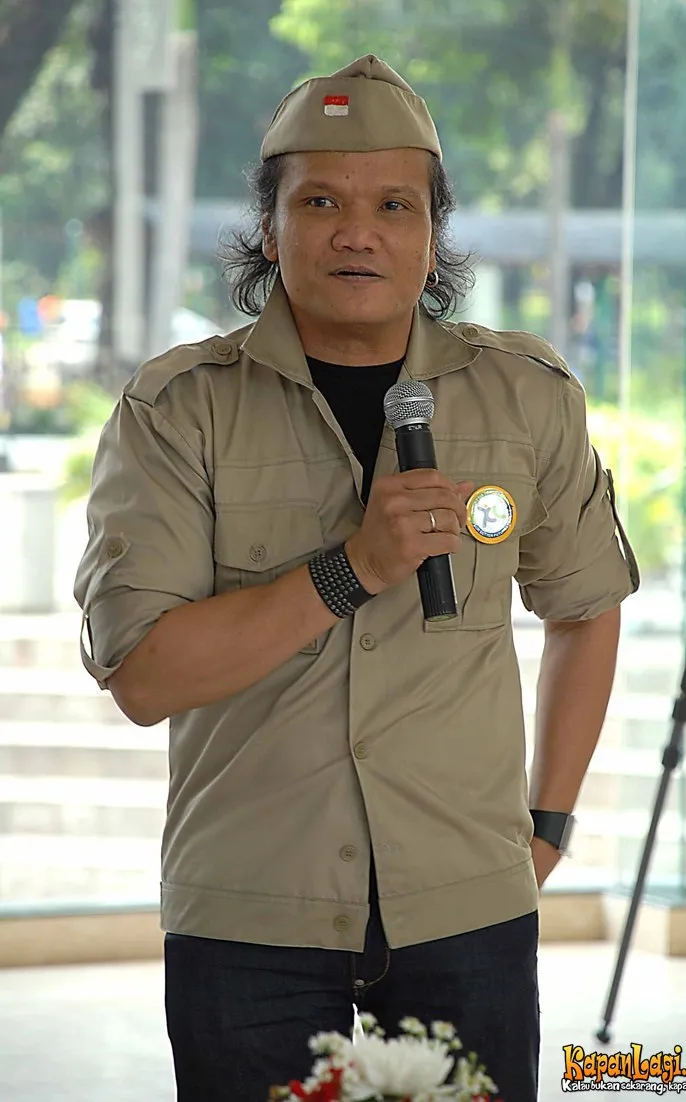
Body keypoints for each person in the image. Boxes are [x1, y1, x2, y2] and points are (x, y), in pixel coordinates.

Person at [74, 54, 639, 1102]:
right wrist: (350, 570)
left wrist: (546, 826)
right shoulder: (177, 410)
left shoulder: (526, 396)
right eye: (320, 201)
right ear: (269, 226)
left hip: (467, 908)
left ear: (431, 234)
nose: (356, 232)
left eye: (393, 205)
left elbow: (585, 606)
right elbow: (144, 676)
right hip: (248, 914)